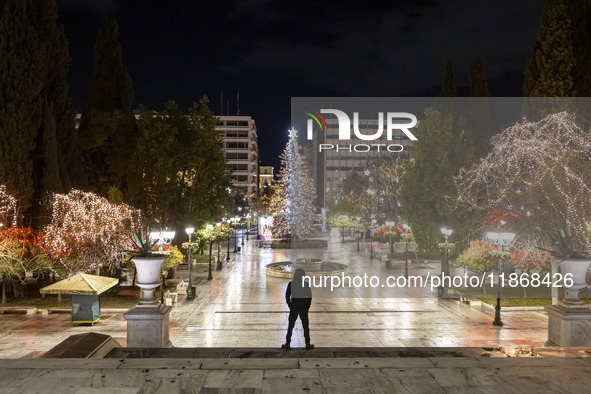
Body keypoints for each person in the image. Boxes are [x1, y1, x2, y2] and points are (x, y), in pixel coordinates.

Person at [281, 268, 314, 350]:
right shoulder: (305, 284)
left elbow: (287, 295)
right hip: (303, 307)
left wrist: (290, 304)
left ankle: (287, 343)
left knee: (290, 326)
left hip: (294, 307)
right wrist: (307, 305)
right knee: (305, 327)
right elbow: (309, 296)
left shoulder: (291, 284)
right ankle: (307, 344)